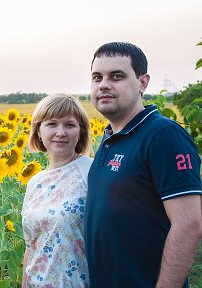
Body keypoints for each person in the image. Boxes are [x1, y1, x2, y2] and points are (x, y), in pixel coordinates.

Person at [84, 41, 202, 288]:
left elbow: (189, 224)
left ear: (143, 83)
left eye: (116, 76)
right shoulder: (110, 138)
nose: (104, 84)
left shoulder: (163, 135)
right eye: (97, 77)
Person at [21, 94, 92, 287]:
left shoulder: (91, 173)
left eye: (69, 125)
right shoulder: (34, 183)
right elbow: (31, 246)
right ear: (38, 131)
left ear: (80, 132)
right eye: (52, 124)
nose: (61, 132)